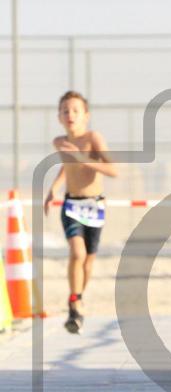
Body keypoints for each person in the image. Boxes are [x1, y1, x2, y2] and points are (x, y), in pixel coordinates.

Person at [44, 90, 118, 333]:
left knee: (87, 262)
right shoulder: (59, 142)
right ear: (59, 117)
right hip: (72, 205)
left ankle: (78, 297)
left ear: (86, 115)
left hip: (94, 205)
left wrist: (83, 159)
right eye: (65, 110)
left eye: (75, 110)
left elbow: (113, 170)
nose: (70, 114)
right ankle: (74, 306)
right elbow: (67, 167)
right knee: (78, 252)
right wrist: (54, 189)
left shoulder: (93, 138)